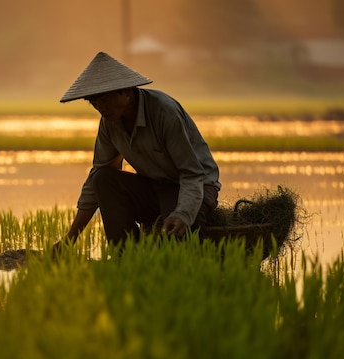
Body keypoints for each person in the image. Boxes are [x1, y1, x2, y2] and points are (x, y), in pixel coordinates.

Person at [54, 51, 221, 249]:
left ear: (126, 92)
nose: (100, 108)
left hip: (193, 186)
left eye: (104, 101)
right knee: (102, 178)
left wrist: (182, 214)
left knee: (175, 242)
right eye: (94, 103)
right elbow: (96, 180)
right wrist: (70, 239)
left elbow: (192, 174)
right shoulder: (110, 123)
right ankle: (126, 255)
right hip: (154, 187)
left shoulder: (163, 112)